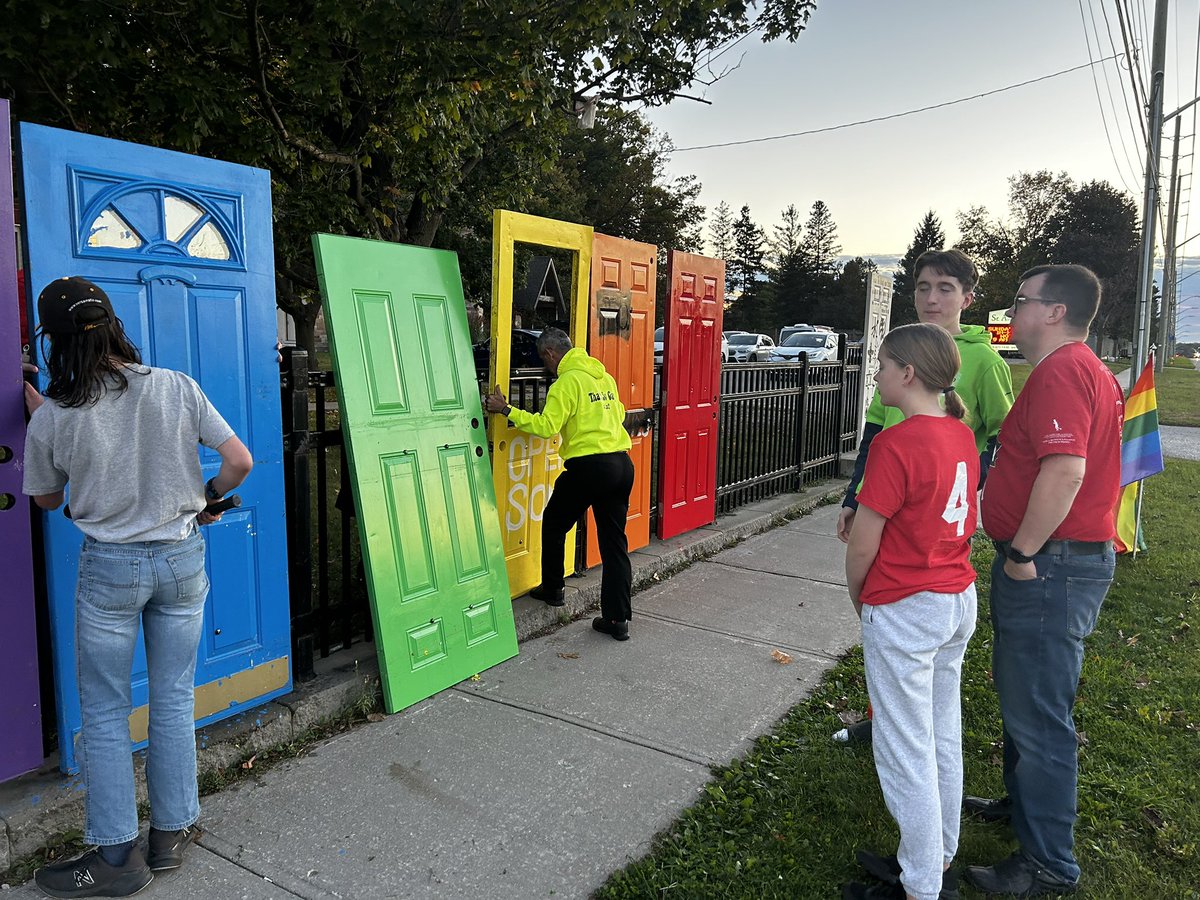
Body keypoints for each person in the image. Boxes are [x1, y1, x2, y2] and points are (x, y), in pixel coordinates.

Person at [22, 277, 253, 898]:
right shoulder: (175, 386)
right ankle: (172, 833)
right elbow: (240, 460)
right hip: (182, 559)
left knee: (104, 709)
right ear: (113, 325)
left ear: (57, 341)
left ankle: (118, 857)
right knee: (173, 696)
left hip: (111, 570)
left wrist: (44, 422)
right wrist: (207, 501)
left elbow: (45, 499)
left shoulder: (57, 415)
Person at [964, 265, 1122, 897]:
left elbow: (1064, 471)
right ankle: (1021, 803)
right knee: (1025, 696)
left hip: (1050, 563)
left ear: (1053, 311)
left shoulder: (1061, 370)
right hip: (1061, 559)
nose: (1011, 312)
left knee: (1039, 714)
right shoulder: (1086, 368)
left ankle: (1048, 864)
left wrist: (1022, 551)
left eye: (1020, 302)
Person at [835, 248, 1013, 744]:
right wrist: (855, 497)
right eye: (922, 288)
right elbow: (875, 432)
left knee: (907, 614)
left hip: (933, 518)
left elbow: (1003, 437)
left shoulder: (983, 361)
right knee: (889, 618)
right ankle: (885, 717)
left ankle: (909, 732)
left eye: (945, 289)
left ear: (967, 298)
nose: (932, 299)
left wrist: (973, 492)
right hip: (885, 500)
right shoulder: (901, 352)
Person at [841, 323, 979, 900]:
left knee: (904, 749)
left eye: (881, 365)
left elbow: (863, 545)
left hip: (904, 605)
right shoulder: (960, 435)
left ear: (907, 373)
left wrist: (859, 597)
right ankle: (936, 854)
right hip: (954, 600)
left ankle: (921, 884)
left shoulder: (894, 445)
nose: (876, 375)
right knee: (941, 732)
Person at [482, 327, 635, 640]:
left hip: (589, 467)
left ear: (550, 354)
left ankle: (553, 589)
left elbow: (546, 426)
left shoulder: (566, 383)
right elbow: (617, 414)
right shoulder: (603, 377)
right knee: (614, 544)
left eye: (544, 360)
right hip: (621, 464)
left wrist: (507, 409)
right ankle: (617, 621)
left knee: (553, 524)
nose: (545, 366)